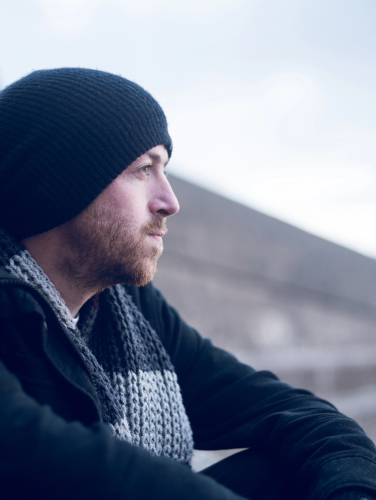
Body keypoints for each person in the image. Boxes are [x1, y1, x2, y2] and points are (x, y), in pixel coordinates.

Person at [0, 68, 375, 500]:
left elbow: (296, 414)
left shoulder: (127, 310)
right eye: (143, 169)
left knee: (288, 470)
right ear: (59, 185)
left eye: (164, 169)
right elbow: (35, 453)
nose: (170, 202)